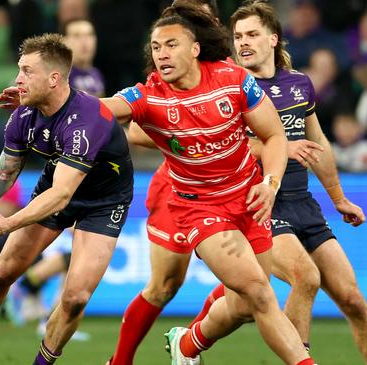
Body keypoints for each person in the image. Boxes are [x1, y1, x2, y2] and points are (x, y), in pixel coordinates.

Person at [102, 3, 313, 364]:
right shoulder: (150, 94)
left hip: (248, 197)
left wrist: (271, 182)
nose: (162, 53)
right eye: (156, 46)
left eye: (172, 44)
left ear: (196, 43)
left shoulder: (232, 79)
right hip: (194, 202)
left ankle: (188, 345)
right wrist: (55, 105)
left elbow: (274, 135)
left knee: (246, 305)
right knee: (193, 288)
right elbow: (110, 114)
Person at [190, 2, 367, 364]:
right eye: (238, 37)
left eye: (252, 34)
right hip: (258, 204)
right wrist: (277, 143)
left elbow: (320, 145)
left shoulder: (299, 84)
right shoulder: (228, 86)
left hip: (302, 201)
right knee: (305, 277)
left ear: (273, 38)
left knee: (353, 300)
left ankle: (190, 342)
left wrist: (339, 198)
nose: (243, 43)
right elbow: (223, 143)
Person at [0, 33, 133, 365]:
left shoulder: (85, 119)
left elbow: (62, 195)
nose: (17, 79)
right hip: (55, 188)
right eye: (19, 70)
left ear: (54, 78)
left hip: (103, 201)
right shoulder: (23, 116)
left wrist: (10, 223)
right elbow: (1, 176)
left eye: (26, 71)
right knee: (2, 272)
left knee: (76, 296)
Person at [63, 18, 105, 97]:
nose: (84, 41)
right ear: (64, 42)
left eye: (89, 35)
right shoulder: (61, 78)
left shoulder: (96, 74)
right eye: (77, 35)